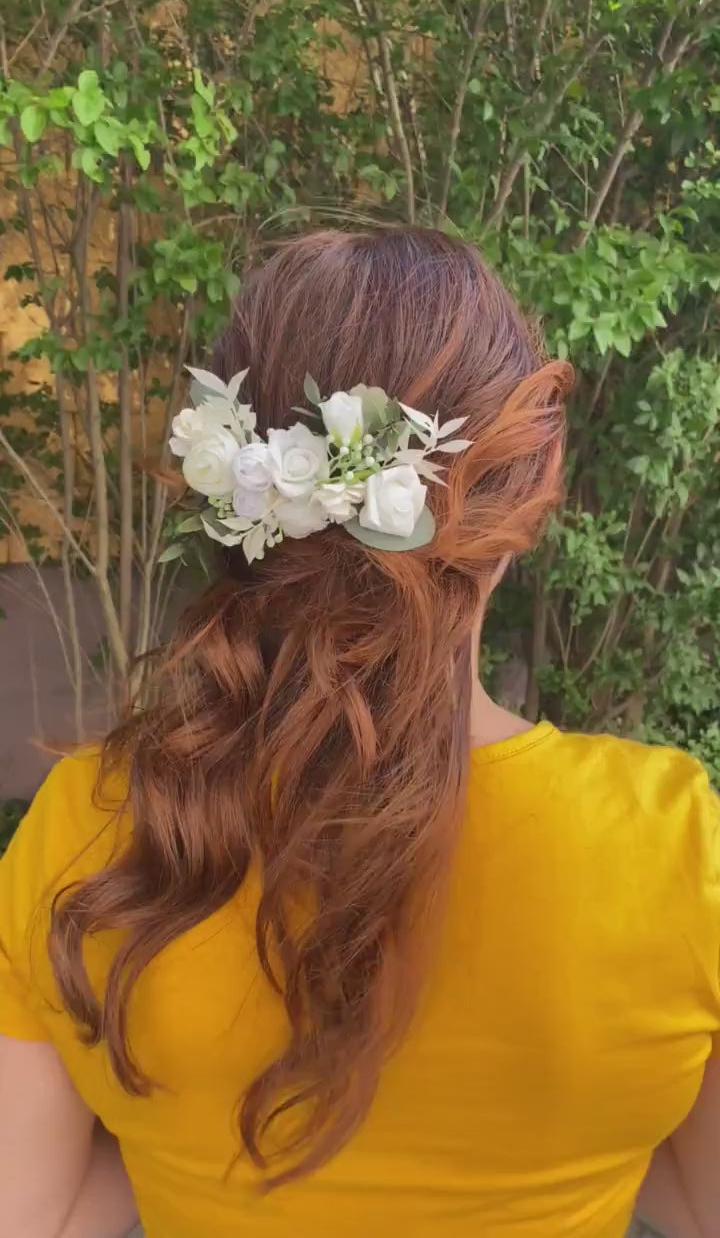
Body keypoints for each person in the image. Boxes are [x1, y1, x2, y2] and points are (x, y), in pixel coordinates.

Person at [0, 228, 718, 1238]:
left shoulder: (86, 826)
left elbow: (34, 1210)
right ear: (527, 489)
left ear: (232, 477)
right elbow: (694, 1195)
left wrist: (180, 1140)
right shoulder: (676, 848)